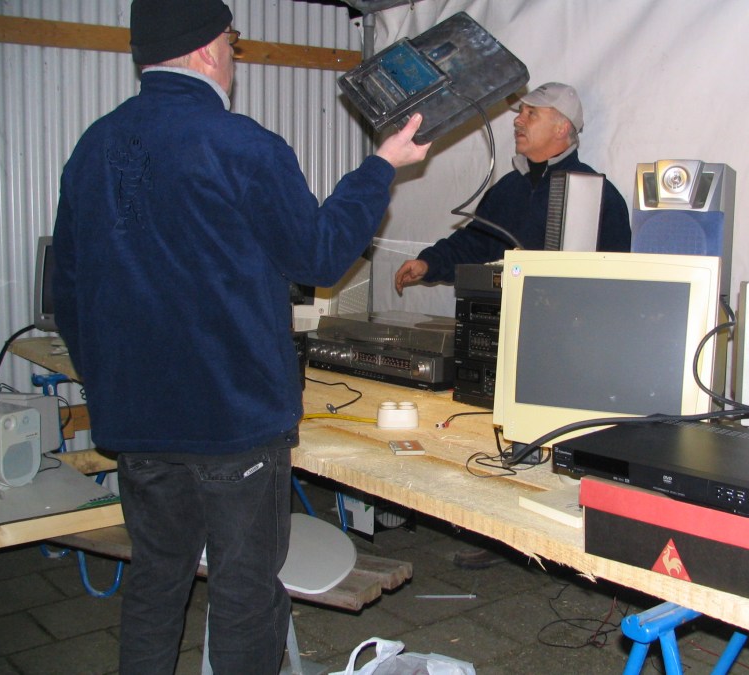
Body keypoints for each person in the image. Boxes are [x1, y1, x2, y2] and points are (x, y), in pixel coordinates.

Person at [51, 1, 430, 673]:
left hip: (138, 424)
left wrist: (112, 390)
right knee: (244, 591)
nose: (234, 56)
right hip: (235, 422)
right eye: (232, 42)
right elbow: (318, 256)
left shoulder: (92, 148)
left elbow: (70, 292)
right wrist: (380, 166)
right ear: (206, 49)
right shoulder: (241, 144)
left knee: (156, 579)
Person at [394, 82, 630, 294]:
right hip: (503, 321)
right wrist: (428, 264)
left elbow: (616, 280)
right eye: (520, 112)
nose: (518, 120)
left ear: (561, 128)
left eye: (531, 113)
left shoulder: (598, 195)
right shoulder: (507, 188)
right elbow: (474, 245)